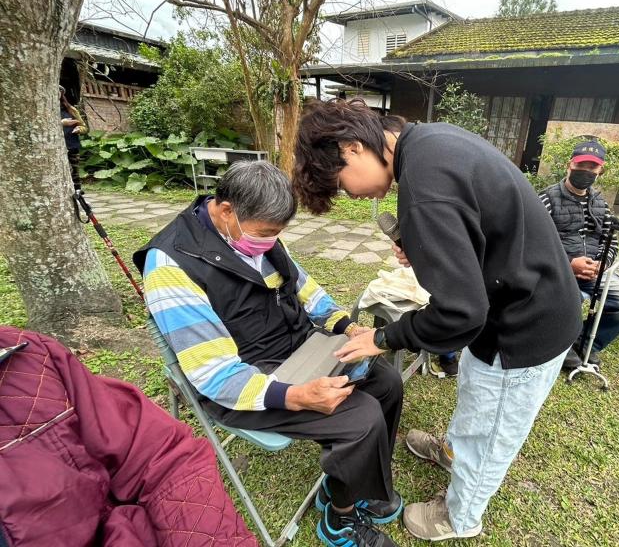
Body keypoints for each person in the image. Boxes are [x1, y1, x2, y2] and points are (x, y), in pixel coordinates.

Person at [293, 99, 583, 541]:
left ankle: (459, 518)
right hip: (514, 296)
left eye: (342, 184)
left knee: (493, 424)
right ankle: (452, 451)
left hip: (525, 324)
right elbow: (474, 224)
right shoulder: (429, 141)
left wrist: (386, 337)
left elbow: (460, 313)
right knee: (476, 390)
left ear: (352, 147)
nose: (353, 195)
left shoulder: (424, 188)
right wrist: (431, 245)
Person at [132, 161, 404, 547]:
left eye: (278, 234)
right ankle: (339, 520)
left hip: (297, 350)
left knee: (387, 383)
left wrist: (346, 327)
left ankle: (351, 483)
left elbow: (306, 290)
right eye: (267, 233)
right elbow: (213, 374)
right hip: (243, 381)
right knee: (360, 418)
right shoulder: (171, 264)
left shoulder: (256, 233)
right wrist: (295, 396)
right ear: (226, 211)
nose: (272, 241)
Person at [0, 325, 258, 546]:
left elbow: (161, 456)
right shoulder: (169, 272)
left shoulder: (24, 356)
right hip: (248, 379)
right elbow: (212, 374)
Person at [539, 139, 619, 368]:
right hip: (558, 271)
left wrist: (602, 264)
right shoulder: (547, 199)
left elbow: (612, 241)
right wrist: (568, 264)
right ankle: (560, 345)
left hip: (594, 273)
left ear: (600, 170)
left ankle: (585, 342)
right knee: (571, 299)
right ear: (570, 165)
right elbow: (535, 243)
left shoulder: (601, 204)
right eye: (581, 165)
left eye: (592, 167)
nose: (585, 171)